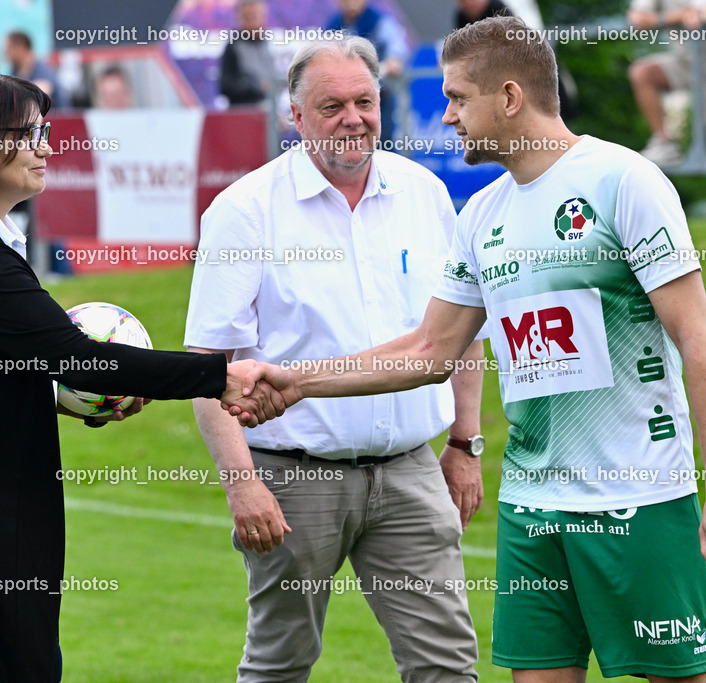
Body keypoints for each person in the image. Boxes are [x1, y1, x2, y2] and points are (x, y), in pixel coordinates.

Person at [229, 17, 706, 682]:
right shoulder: (481, 213)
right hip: (532, 508)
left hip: (639, 498)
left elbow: (699, 339)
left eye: (457, 98)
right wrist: (298, 381)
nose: (446, 116)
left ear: (509, 97)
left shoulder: (625, 181)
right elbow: (429, 349)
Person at [0, 70, 282, 682]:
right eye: (29, 133)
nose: (45, 146)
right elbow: (78, 356)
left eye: (46, 131)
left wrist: (67, 400)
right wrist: (219, 375)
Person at [185, 36, 484, 683]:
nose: (354, 118)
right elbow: (209, 367)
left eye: (364, 102)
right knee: (280, 662)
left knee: (447, 663)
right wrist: (242, 483)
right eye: (332, 106)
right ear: (295, 117)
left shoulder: (425, 193)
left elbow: (462, 331)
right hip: (294, 479)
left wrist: (466, 442)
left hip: (410, 472)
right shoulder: (244, 211)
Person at [627, 1, 706, 217]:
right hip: (683, 63)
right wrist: (673, 17)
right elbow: (636, 19)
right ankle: (664, 143)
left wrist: (665, 19)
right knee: (642, 73)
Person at [325, 0, 409, 142]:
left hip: (376, 97)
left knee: (381, 141)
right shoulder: (333, 25)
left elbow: (397, 51)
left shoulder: (379, 21)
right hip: (342, 99)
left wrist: (391, 62)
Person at [219, 0, 276, 106]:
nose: (251, 21)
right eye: (247, 17)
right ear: (239, 18)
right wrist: (255, 87)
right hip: (244, 109)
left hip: (268, 108)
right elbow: (225, 86)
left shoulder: (267, 44)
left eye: (254, 16)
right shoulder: (233, 46)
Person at [5, 31, 67, 109]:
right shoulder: (14, 72)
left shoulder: (43, 70)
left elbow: (43, 92)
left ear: (20, 47)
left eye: (8, 49)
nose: (6, 54)